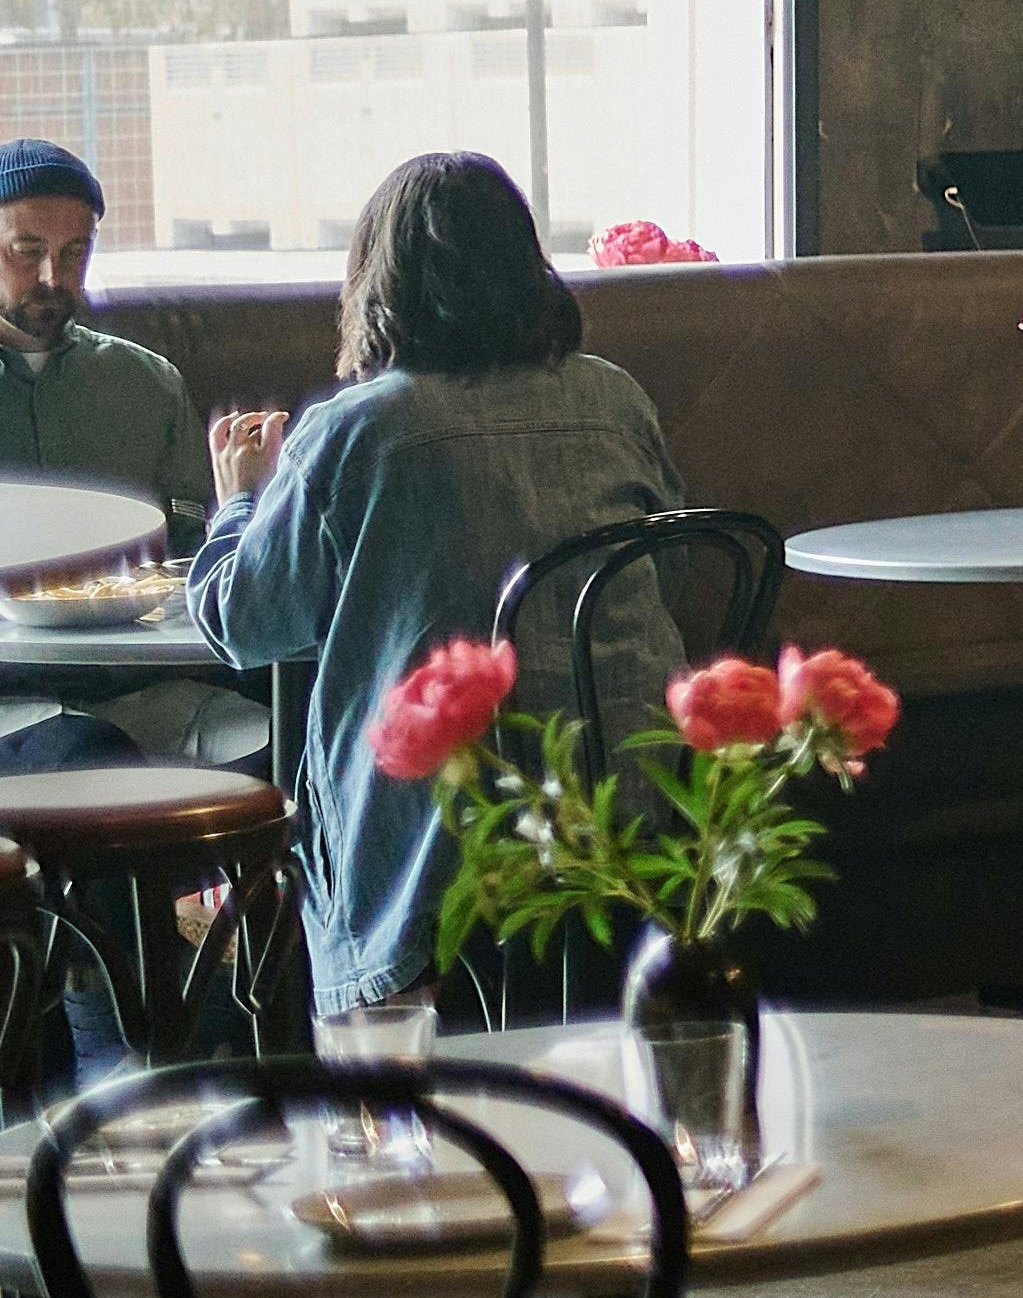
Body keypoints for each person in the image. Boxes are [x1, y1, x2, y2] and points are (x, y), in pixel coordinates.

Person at [192, 151, 693, 1024]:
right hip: (638, 795)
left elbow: (245, 624)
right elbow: (669, 570)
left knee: (368, 752)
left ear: (377, 281)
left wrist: (239, 500)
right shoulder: (614, 396)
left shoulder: (355, 429)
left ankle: (378, 1045)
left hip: (442, 828)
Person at [0, 137, 254, 777]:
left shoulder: (146, 382)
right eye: (26, 251)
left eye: (75, 252)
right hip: (13, 702)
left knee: (294, 739)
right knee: (89, 757)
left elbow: (190, 549)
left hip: (143, 684)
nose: (53, 277)